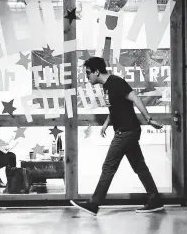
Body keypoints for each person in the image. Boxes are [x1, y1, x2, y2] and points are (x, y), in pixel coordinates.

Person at [70, 57, 164, 215]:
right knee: (139, 166)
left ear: (96, 71)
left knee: (108, 167)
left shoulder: (116, 83)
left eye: (88, 73)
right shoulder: (107, 86)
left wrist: (149, 119)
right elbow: (116, 107)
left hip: (126, 132)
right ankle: (155, 200)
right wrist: (107, 122)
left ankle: (94, 204)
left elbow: (135, 99)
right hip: (126, 130)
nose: (87, 77)